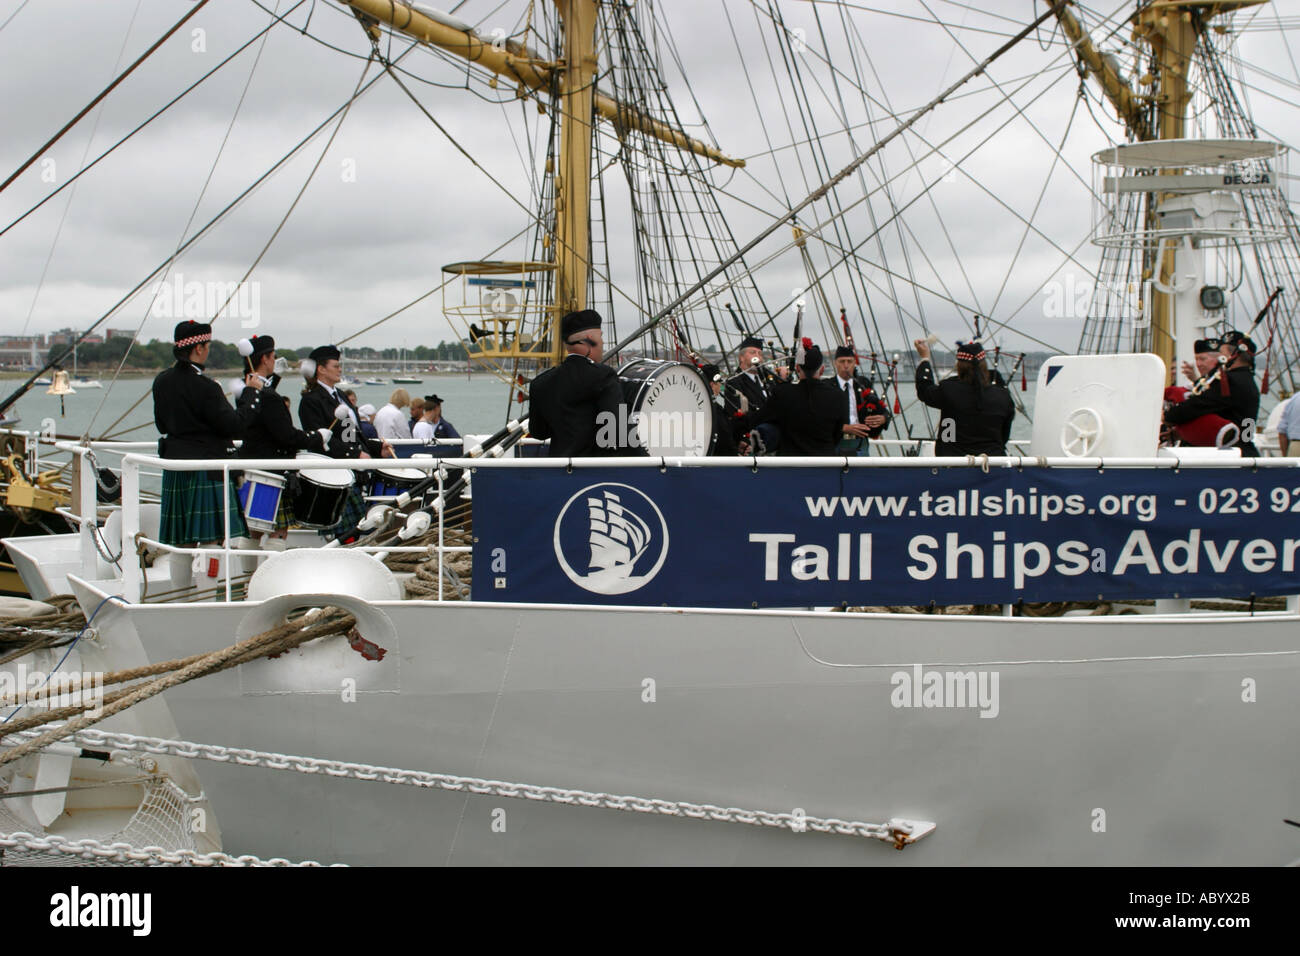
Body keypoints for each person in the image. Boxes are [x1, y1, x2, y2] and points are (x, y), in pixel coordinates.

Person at [152, 320, 263, 547]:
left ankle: (181, 584)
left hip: (176, 466)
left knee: (179, 542)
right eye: (208, 346)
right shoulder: (206, 386)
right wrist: (251, 393)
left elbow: (162, 425)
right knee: (211, 540)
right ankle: (209, 585)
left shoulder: (162, 381)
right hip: (206, 467)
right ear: (199, 348)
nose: (208, 351)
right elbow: (234, 426)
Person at [235, 334, 331, 538]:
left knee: (253, 531)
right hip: (271, 471)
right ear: (264, 359)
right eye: (273, 356)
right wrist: (317, 437)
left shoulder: (247, 392)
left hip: (252, 466)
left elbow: (260, 407)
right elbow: (286, 435)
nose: (274, 360)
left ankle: (249, 571)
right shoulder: (269, 397)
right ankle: (272, 570)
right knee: (278, 532)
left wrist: (275, 379)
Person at [298, 344, 390, 536]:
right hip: (335, 476)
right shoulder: (311, 401)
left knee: (360, 530)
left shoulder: (339, 395)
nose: (340, 369)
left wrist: (376, 448)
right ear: (321, 369)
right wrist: (355, 454)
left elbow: (353, 433)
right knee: (346, 534)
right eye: (335, 366)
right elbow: (321, 441)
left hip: (353, 471)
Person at [527, 309, 625, 457]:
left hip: (559, 472)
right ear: (589, 339)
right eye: (600, 337)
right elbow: (620, 431)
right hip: (597, 473)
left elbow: (539, 432)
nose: (603, 343)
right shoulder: (604, 376)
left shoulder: (540, 383)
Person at [1164, 331, 1261, 456]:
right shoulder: (1247, 380)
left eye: (1222, 354)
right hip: (1242, 451)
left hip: (1224, 456)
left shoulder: (1229, 381)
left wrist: (1166, 417)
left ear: (1233, 355)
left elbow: (1197, 405)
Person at [913, 339, 1015, 456]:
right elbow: (1004, 435)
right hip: (993, 464)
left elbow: (924, 390)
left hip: (953, 464)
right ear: (984, 365)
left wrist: (925, 359)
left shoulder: (948, 390)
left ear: (959, 366)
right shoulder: (1003, 396)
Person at [746, 339, 846, 456]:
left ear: (798, 368)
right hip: (825, 462)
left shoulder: (782, 394)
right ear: (822, 370)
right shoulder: (837, 395)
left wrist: (742, 416)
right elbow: (838, 433)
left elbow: (758, 419)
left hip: (790, 465)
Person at [725, 335, 783, 450]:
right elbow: (739, 418)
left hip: (778, 440)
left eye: (760, 354)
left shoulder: (771, 379)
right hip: (752, 442)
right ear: (741, 358)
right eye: (753, 353)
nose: (758, 357)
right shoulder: (733, 383)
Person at [831, 345, 890, 456]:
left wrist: (883, 418)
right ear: (835, 363)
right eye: (842, 361)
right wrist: (844, 428)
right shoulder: (828, 386)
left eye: (849, 361)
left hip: (860, 443)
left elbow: (883, 410)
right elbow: (820, 419)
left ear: (854, 363)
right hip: (836, 442)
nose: (846, 366)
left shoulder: (863, 384)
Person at [697, 364, 738, 456]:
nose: (720, 386)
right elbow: (725, 440)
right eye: (719, 383)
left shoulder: (702, 407)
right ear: (712, 385)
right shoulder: (715, 410)